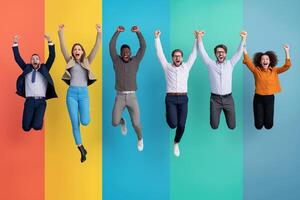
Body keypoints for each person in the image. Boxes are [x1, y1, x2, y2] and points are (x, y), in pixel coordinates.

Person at [58, 24, 101, 163]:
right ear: (73, 52)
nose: (77, 51)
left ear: (82, 52)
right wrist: (61, 32)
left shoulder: (87, 61)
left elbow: (95, 48)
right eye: (75, 49)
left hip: (83, 94)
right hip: (71, 94)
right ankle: (81, 148)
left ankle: (81, 145)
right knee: (75, 124)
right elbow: (63, 47)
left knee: (85, 121)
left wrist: (99, 33)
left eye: (79, 49)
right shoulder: (69, 60)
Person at [155, 30, 197, 157]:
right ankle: (168, 114)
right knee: (172, 124)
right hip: (171, 99)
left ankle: (176, 142)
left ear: (182, 58)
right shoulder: (167, 67)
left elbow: (194, 55)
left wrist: (196, 39)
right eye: (175, 56)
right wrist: (157, 38)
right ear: (172, 58)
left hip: (183, 98)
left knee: (182, 125)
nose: (177, 58)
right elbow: (160, 54)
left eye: (179, 56)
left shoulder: (186, 67)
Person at [196, 30, 247, 129]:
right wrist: (199, 38)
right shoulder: (210, 64)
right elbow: (202, 53)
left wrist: (243, 39)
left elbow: (238, 53)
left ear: (226, 54)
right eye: (218, 52)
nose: (220, 54)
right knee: (214, 126)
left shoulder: (230, 64)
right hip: (215, 99)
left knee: (232, 126)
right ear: (215, 54)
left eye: (222, 52)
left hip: (228, 99)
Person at [109, 25, 146, 152]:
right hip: (119, 97)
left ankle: (140, 138)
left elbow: (143, 47)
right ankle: (122, 121)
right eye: (123, 52)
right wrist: (117, 32)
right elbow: (111, 47)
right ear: (120, 54)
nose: (125, 53)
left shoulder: (135, 61)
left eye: (127, 52)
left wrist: (138, 33)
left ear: (130, 53)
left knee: (136, 123)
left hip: (132, 97)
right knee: (114, 122)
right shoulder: (116, 61)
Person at [12, 34, 57, 132]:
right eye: (33, 59)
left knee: (37, 126)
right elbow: (17, 58)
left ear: (40, 61)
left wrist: (49, 41)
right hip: (29, 101)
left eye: (37, 58)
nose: (35, 60)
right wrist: (15, 43)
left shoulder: (45, 69)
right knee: (26, 128)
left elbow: (52, 56)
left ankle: (39, 120)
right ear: (30, 61)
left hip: (41, 101)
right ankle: (33, 119)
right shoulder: (27, 68)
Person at [243, 45, 291, 129]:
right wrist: (244, 49)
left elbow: (287, 66)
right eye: (263, 59)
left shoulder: (275, 70)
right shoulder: (256, 70)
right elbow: (247, 61)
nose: (265, 60)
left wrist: (287, 51)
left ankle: (267, 121)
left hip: (270, 98)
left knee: (269, 125)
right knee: (258, 125)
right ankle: (260, 121)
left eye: (267, 59)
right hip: (258, 98)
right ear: (260, 61)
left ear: (270, 61)